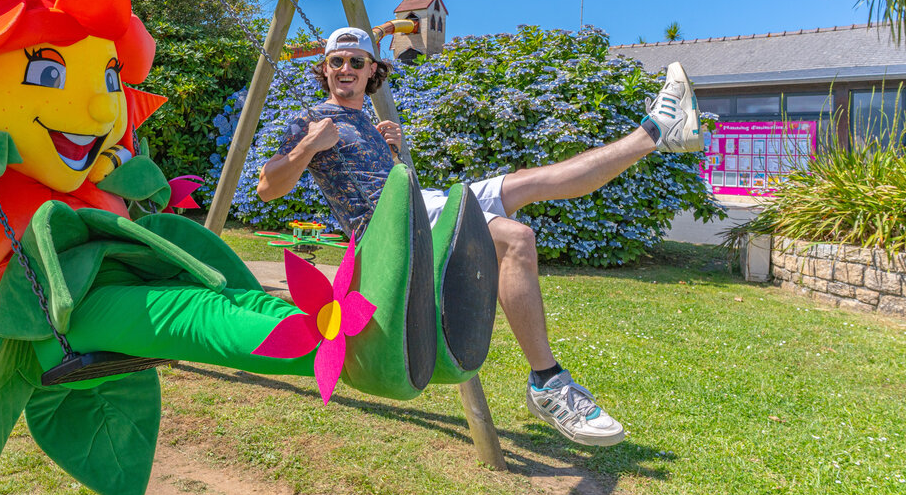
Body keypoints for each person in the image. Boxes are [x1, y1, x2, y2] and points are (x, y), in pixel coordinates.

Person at [257, 26, 703, 447]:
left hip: (420, 204)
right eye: (336, 61)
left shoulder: (373, 126)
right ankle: (548, 383)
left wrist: (389, 149)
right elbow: (267, 187)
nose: (346, 69)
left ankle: (657, 133)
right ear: (326, 68)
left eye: (357, 60)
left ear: (373, 69)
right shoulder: (311, 121)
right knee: (515, 239)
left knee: (533, 181)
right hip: (388, 231)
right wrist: (308, 146)